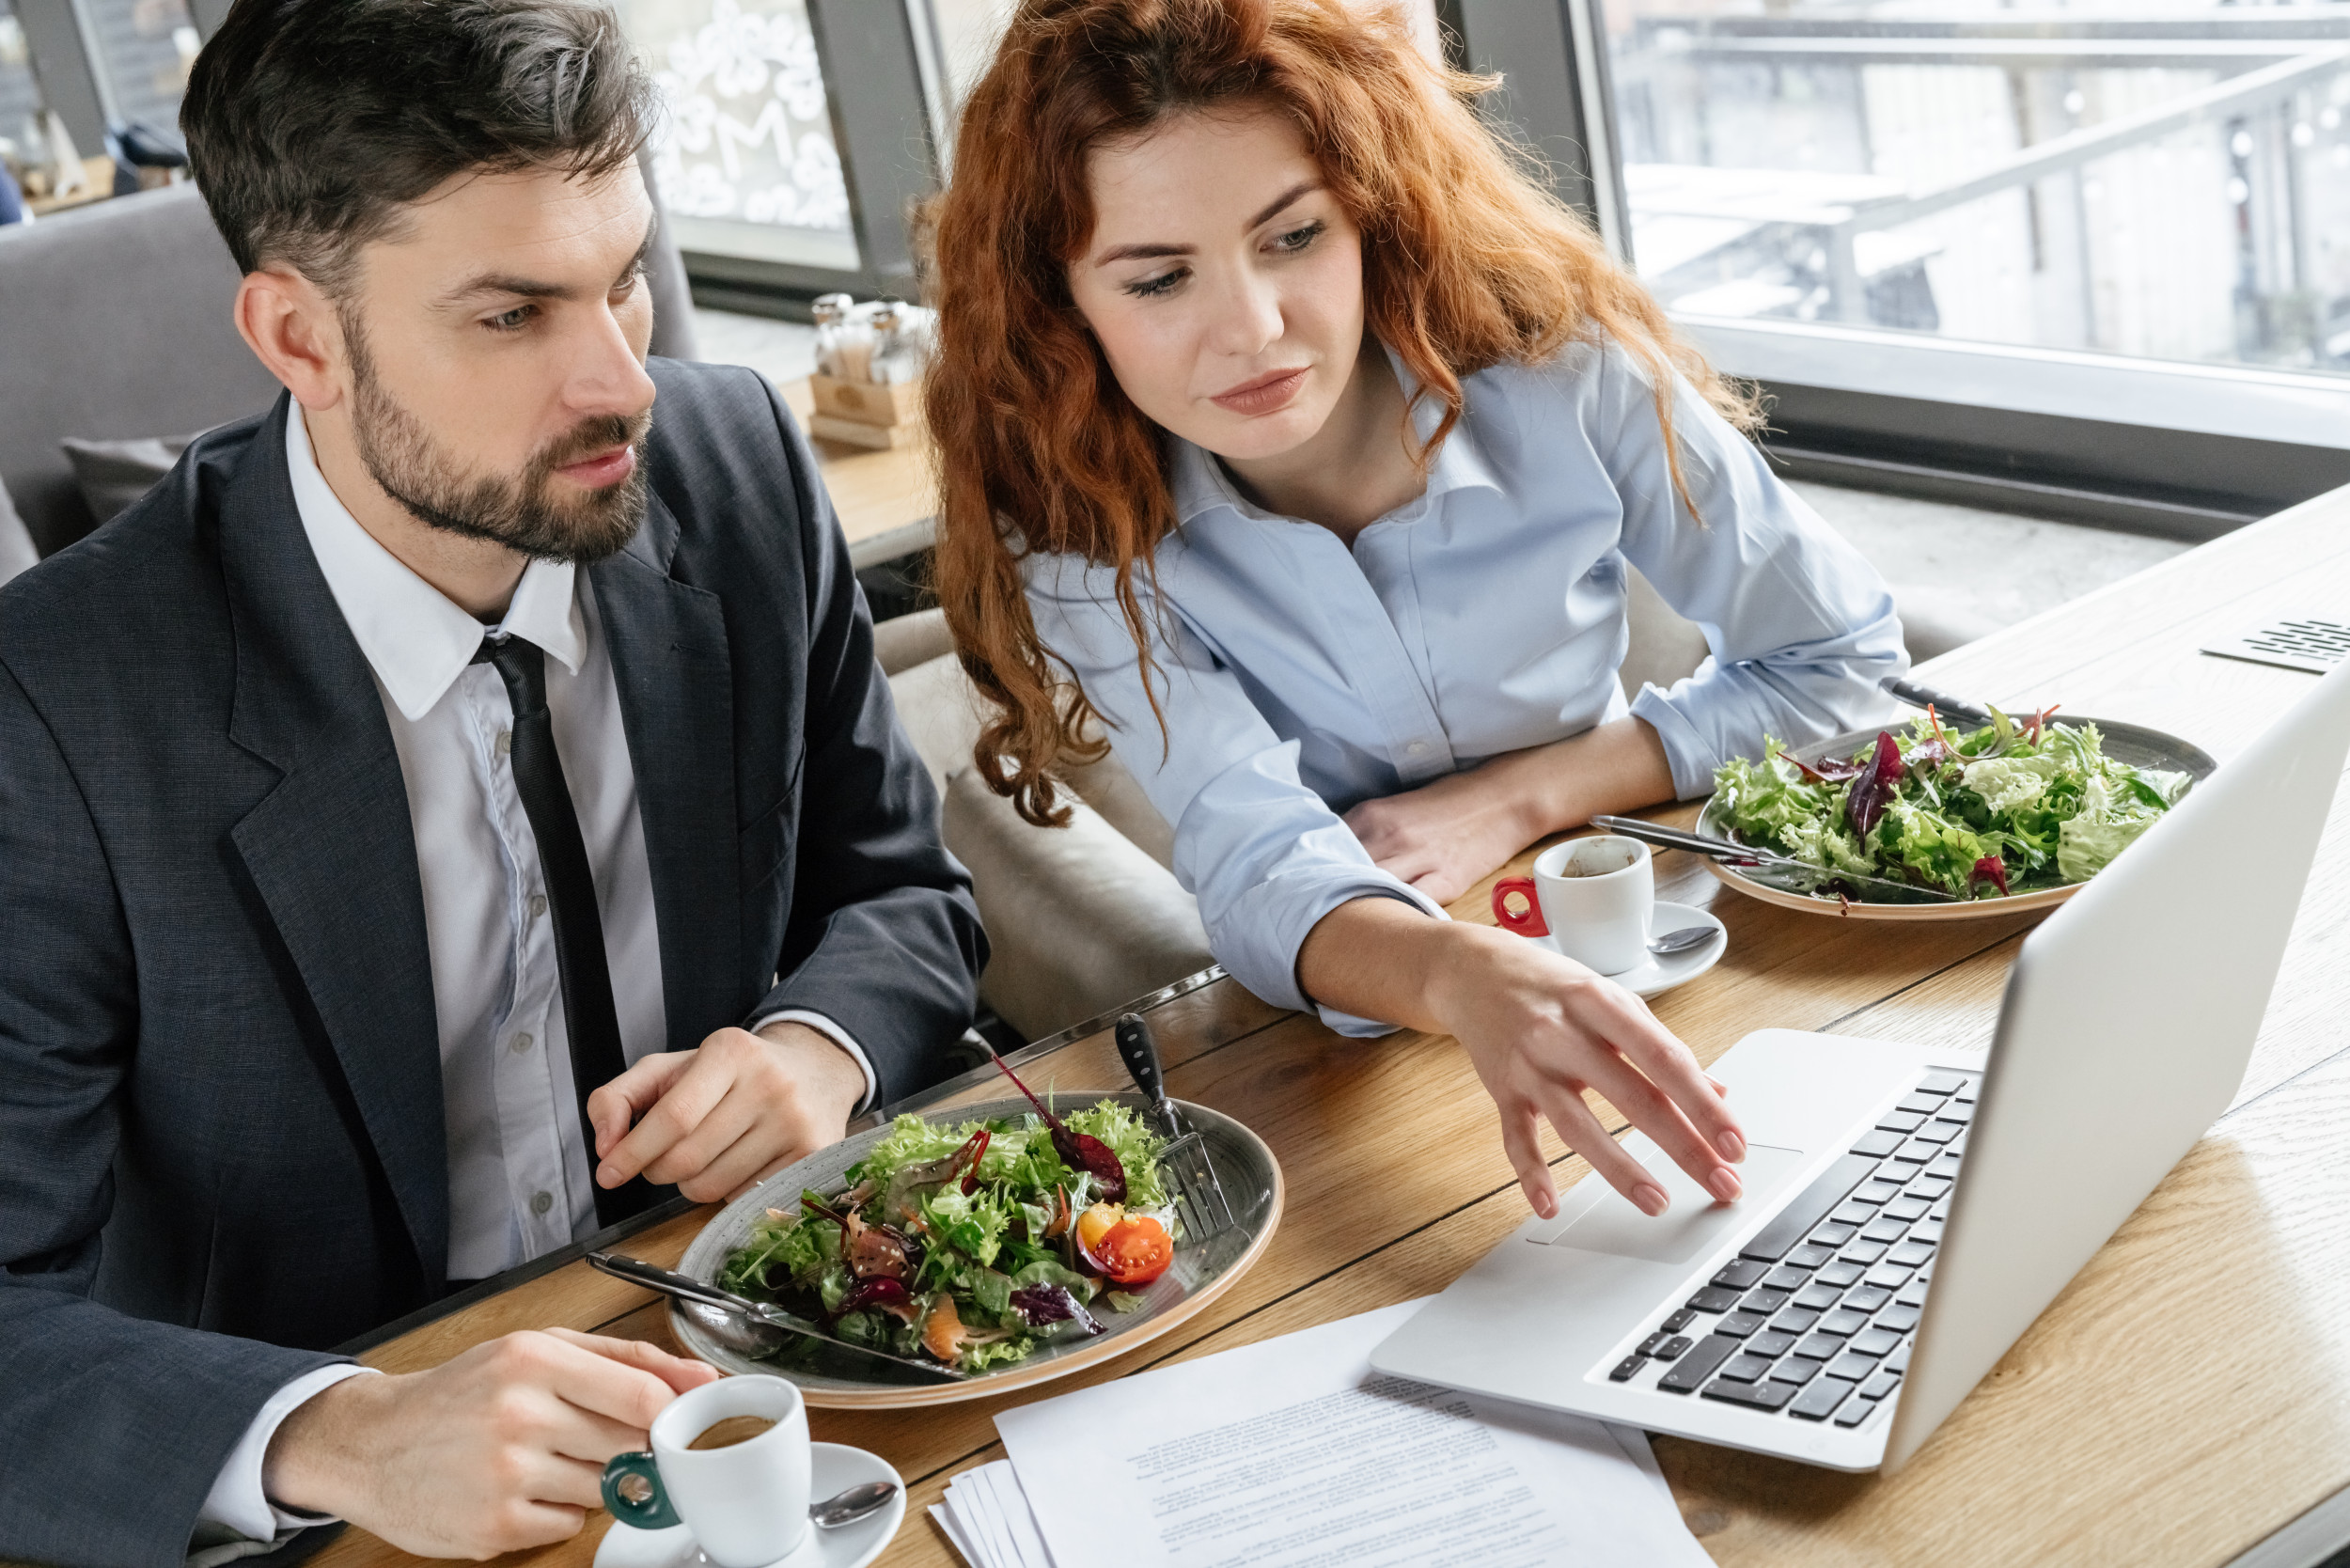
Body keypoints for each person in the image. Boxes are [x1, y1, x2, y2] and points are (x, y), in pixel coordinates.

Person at [0, 3, 985, 1563]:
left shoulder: (737, 470)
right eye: (513, 315)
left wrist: (823, 1045)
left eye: (624, 281)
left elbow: (902, 890)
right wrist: (340, 1431)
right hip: (368, 1479)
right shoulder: (53, 705)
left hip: (775, 1373)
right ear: (297, 340)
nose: (625, 383)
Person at [926, 0, 1906, 1231]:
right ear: (1061, 303)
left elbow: (1847, 660)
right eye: (1162, 277)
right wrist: (1455, 972)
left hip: (1661, 910)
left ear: (1368, 209)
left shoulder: (1564, 367)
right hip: (1370, 1004)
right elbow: (1254, 852)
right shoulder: (1076, 521)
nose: (1255, 329)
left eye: (1292, 238)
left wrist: (1520, 795)